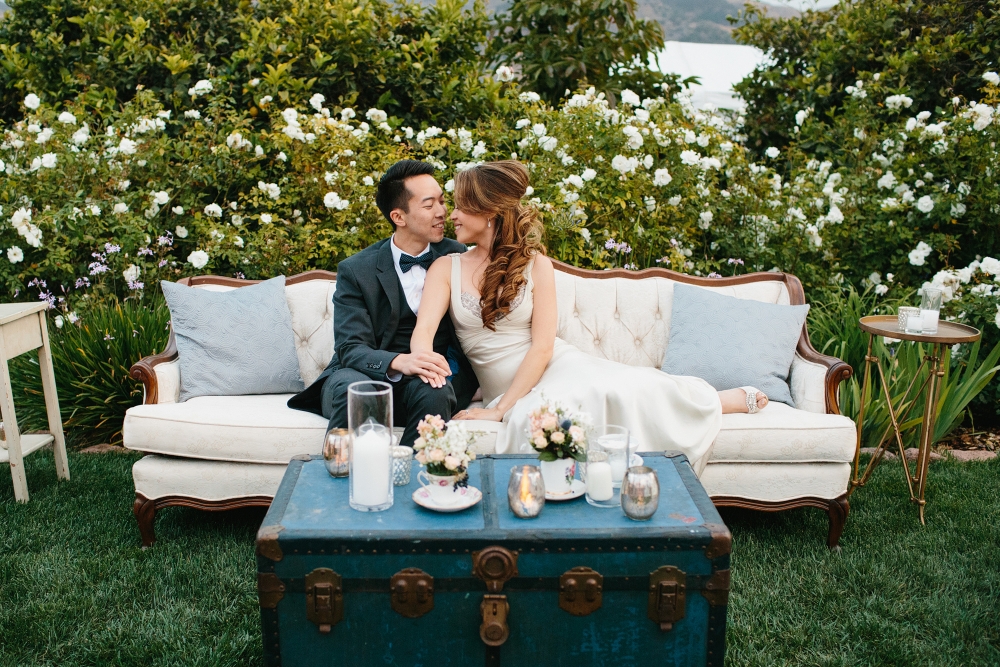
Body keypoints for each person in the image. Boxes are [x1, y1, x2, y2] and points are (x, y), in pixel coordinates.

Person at [410, 160, 768, 474]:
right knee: (545, 417)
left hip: (552, 366)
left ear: (488, 212)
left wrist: (502, 408)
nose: (451, 215)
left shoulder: (537, 264)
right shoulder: (446, 267)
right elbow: (424, 330)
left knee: (616, 387)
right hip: (504, 382)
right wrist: (424, 361)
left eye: (459, 207)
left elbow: (542, 347)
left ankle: (713, 401)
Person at [288, 160, 479, 447]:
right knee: (357, 390)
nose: (442, 212)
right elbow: (350, 348)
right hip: (362, 374)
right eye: (429, 205)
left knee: (436, 392)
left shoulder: (457, 255)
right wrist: (401, 361)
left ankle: (411, 481)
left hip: (424, 383)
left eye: (442, 200)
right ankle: (346, 482)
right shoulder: (357, 270)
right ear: (398, 217)